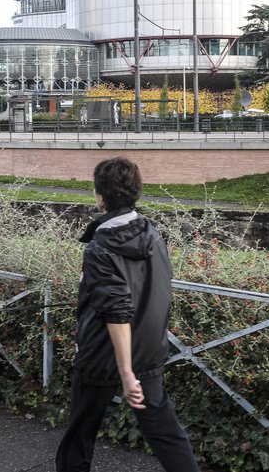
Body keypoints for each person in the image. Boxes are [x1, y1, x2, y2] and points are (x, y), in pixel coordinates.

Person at [56, 156, 201, 472]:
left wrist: (125, 371)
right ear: (136, 192)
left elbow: (117, 311)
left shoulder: (101, 247)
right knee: (164, 430)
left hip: (102, 354)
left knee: (80, 432)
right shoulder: (151, 232)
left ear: (99, 196)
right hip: (148, 348)